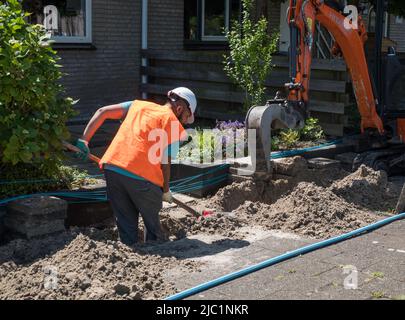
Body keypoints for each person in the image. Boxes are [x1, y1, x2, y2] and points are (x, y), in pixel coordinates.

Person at [75, 87, 197, 245]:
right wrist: (165, 190)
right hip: (142, 178)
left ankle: (131, 251)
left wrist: (84, 141)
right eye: (186, 116)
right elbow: (165, 163)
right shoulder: (172, 123)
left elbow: (102, 111)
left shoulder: (138, 105)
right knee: (153, 223)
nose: (185, 121)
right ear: (180, 108)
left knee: (126, 222)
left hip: (113, 169)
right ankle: (156, 251)